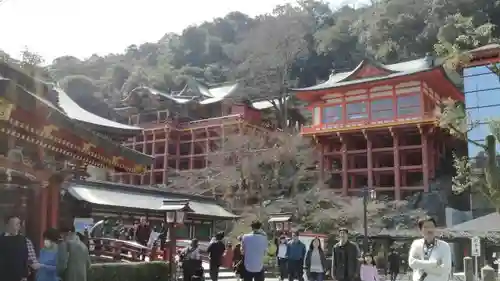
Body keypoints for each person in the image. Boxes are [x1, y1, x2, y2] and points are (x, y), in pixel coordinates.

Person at [408, 216, 451, 281]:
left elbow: (444, 269)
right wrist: (435, 264)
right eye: (426, 227)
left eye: (431, 227)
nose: (429, 230)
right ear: (420, 230)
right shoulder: (416, 244)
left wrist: (420, 265)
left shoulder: (444, 246)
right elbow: (412, 263)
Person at [0, 215, 40, 281]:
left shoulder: (25, 241)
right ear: (7, 225)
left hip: (20, 277)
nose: (18, 226)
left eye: (19, 223)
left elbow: (32, 260)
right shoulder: (1, 240)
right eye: (15, 224)